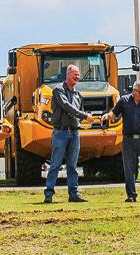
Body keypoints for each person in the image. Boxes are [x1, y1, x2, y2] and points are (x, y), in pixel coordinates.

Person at [101, 80, 140, 203]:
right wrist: (107, 116)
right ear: (134, 91)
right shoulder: (124, 101)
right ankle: (131, 195)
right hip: (128, 139)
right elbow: (114, 113)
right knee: (129, 169)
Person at [45, 64, 93, 204]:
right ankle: (49, 194)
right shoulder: (58, 90)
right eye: (75, 74)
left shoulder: (78, 95)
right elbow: (67, 106)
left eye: (78, 75)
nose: (77, 77)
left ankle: (74, 194)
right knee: (55, 164)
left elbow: (78, 112)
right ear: (68, 75)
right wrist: (85, 116)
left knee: (72, 166)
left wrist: (83, 121)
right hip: (60, 132)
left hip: (75, 133)